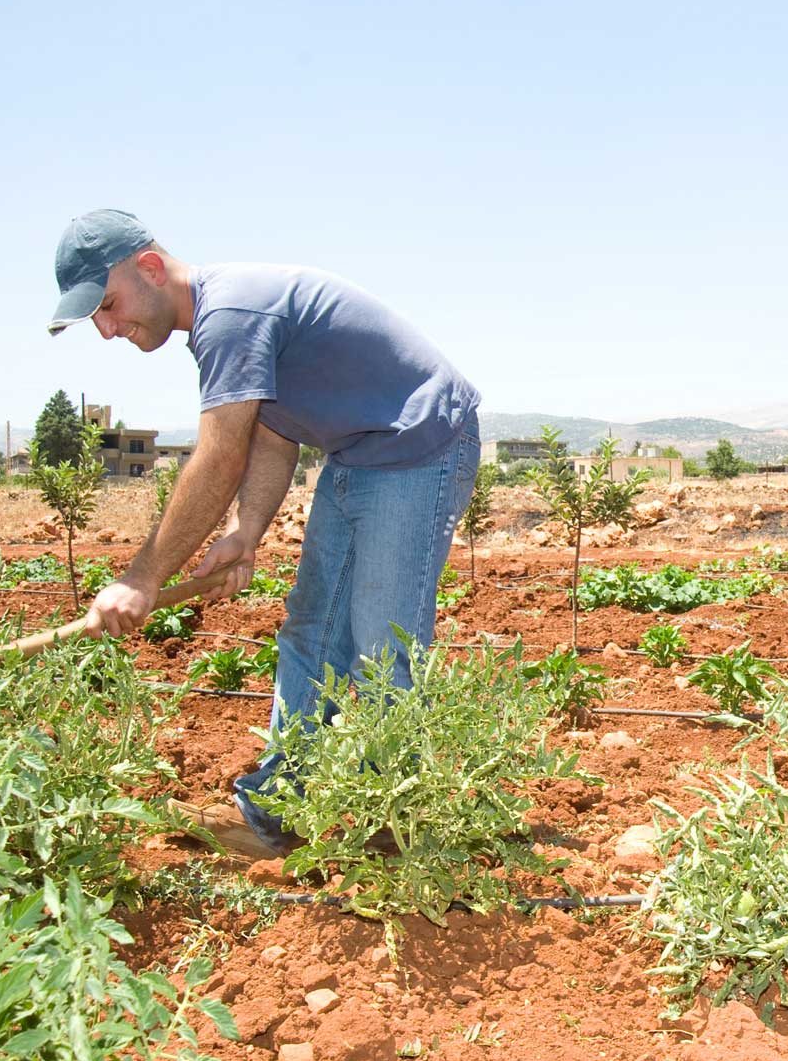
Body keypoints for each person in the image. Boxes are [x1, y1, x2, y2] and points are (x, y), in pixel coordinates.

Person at [46, 209, 483, 851]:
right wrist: (246, 532)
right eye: (96, 321)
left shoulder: (232, 315)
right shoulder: (219, 324)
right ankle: (282, 813)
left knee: (383, 640)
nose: (108, 330)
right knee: (313, 626)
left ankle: (398, 830)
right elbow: (274, 435)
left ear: (148, 267)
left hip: (421, 445)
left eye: (108, 305)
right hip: (356, 453)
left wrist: (141, 579)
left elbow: (220, 457)